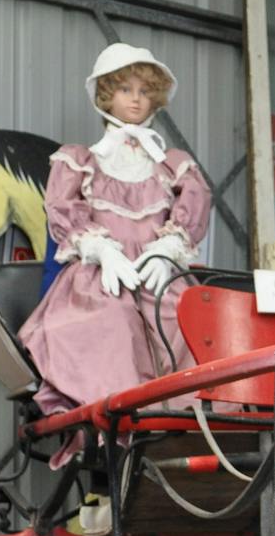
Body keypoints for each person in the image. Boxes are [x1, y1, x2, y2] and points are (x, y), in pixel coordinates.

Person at [19, 43, 210, 461]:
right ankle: (117, 436)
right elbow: (64, 211)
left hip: (157, 271)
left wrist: (167, 250)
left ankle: (190, 434)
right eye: (125, 89)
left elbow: (194, 206)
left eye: (144, 90)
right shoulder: (80, 160)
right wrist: (102, 251)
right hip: (99, 275)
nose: (136, 99)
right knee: (113, 322)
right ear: (106, 96)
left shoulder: (171, 164)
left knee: (186, 320)